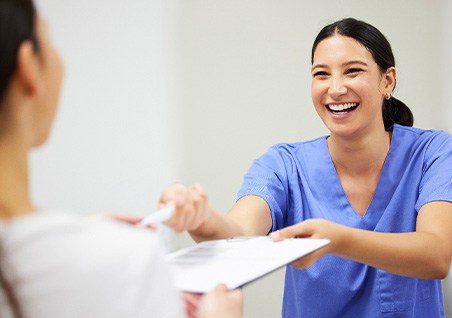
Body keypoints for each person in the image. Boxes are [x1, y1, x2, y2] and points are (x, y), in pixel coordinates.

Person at [159, 18, 452, 317]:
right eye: (321, 74)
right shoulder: (284, 165)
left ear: (387, 81)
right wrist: (201, 219)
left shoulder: (434, 153)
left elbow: (437, 255)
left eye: (352, 71)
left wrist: (338, 240)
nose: (335, 89)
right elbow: (237, 236)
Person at [0, 0, 243, 317]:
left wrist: (80, 231)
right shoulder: (126, 261)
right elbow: (247, 231)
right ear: (29, 65)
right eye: (48, 36)